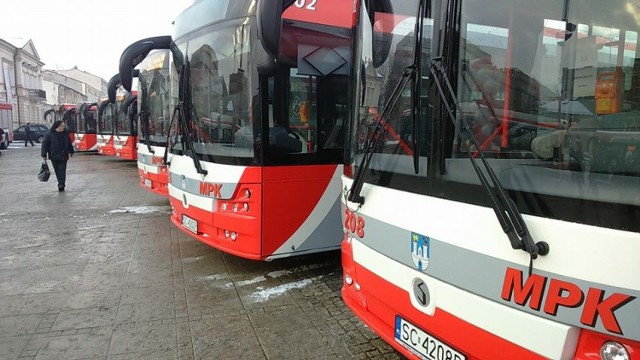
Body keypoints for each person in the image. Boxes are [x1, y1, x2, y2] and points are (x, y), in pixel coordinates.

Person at [41, 120, 74, 192]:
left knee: (62, 170)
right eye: (62, 126)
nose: (63, 127)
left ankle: (61, 184)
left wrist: (71, 151)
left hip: (63, 155)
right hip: (54, 155)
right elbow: (45, 144)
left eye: (64, 126)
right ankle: (60, 182)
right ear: (57, 126)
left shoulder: (65, 133)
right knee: (57, 171)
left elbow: (69, 143)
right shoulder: (49, 134)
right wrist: (43, 154)